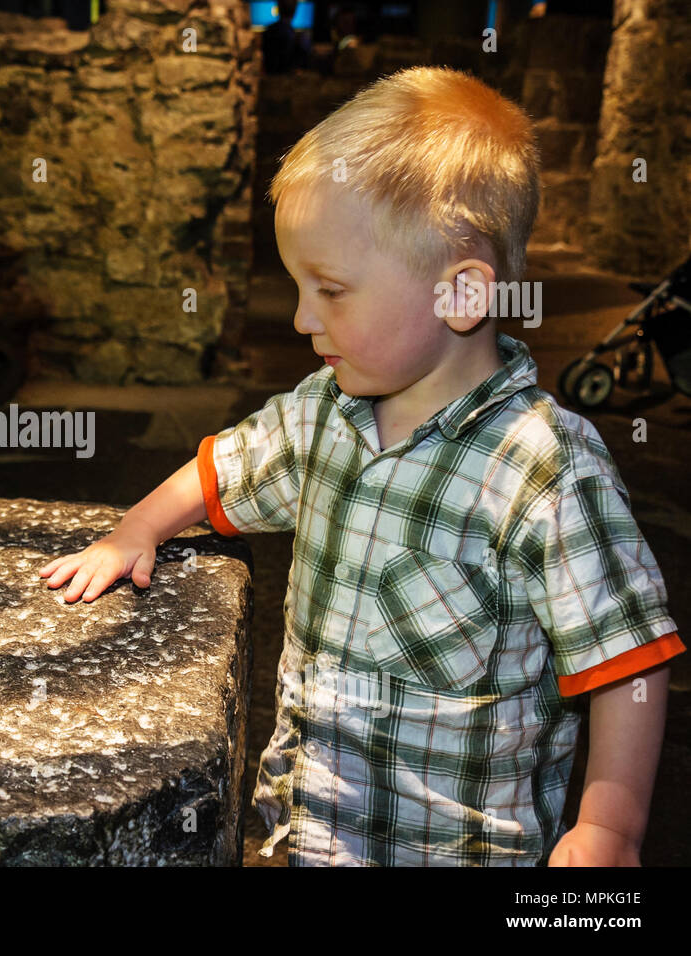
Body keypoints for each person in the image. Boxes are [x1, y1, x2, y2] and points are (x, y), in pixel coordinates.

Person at [39, 66, 685, 866]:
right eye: (300, 288)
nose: (306, 319)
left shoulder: (546, 469)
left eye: (332, 290)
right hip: (309, 831)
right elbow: (222, 471)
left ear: (461, 296)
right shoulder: (322, 410)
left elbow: (626, 659)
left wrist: (609, 829)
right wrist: (136, 529)